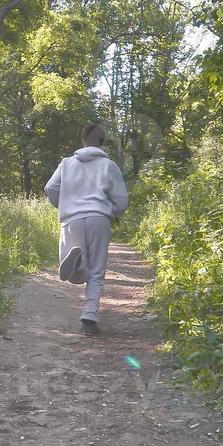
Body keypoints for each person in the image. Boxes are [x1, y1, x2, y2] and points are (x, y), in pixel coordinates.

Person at [43, 123, 129, 336]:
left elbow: (50, 188)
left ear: (83, 141)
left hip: (71, 219)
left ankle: (79, 264)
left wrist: (63, 204)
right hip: (99, 218)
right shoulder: (110, 166)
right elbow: (122, 202)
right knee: (97, 272)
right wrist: (110, 210)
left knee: (72, 275)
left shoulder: (66, 163)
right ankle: (89, 317)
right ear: (102, 143)